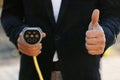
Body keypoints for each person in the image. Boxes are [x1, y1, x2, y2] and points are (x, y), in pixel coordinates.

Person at [1, 0, 120, 80]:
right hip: (34, 70)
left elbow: (114, 14)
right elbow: (10, 14)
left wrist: (105, 34)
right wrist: (19, 34)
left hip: (83, 71)